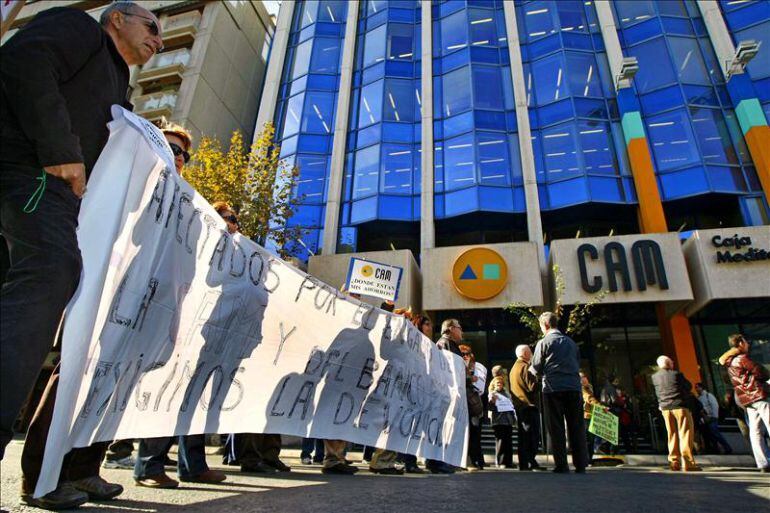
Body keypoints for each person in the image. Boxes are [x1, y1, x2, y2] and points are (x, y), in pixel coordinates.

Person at [2, 2, 162, 509]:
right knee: (52, 274)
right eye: (151, 26)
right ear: (116, 18)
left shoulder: (118, 85)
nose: (158, 38)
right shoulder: (77, 28)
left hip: (47, 190)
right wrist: (60, 149)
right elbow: (23, 63)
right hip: (31, 174)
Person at [132, 127, 227, 489]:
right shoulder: (139, 184)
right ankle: (71, 467)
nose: (179, 158)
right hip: (136, 299)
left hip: (176, 307)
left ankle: (166, 464)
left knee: (172, 384)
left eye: (184, 154)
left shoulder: (188, 201)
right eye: (171, 149)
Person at [530, 312, 587, 474]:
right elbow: (577, 362)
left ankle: (561, 464)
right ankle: (580, 463)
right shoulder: (571, 343)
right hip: (574, 387)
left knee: (555, 426)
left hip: (553, 387)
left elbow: (536, 367)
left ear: (545, 325)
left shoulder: (544, 342)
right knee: (576, 425)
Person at [719, 334, 770, 472]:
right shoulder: (742, 359)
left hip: (746, 400)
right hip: (758, 395)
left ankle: (763, 463)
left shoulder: (728, 363)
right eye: (746, 342)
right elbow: (761, 372)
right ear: (740, 343)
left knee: (755, 432)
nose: (748, 344)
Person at [425, 319, 464, 474]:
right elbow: (450, 369)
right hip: (445, 392)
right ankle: (437, 461)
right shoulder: (446, 343)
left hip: (444, 391)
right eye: (460, 328)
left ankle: (435, 461)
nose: (462, 332)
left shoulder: (446, 343)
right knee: (441, 427)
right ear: (450, 329)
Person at [651, 356, 701, 472]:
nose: (673, 362)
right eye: (671, 361)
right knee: (685, 433)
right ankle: (688, 462)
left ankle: (674, 460)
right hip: (679, 406)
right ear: (669, 363)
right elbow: (688, 386)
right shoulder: (676, 375)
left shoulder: (654, 377)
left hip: (665, 408)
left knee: (671, 433)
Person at [510, 344, 544, 472]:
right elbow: (532, 387)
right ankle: (530, 460)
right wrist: (540, 380)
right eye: (530, 352)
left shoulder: (514, 367)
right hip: (528, 405)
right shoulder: (526, 367)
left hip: (521, 406)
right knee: (531, 436)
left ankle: (525, 462)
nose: (532, 354)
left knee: (524, 436)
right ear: (525, 354)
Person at [461, 344, 486, 470]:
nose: (465, 357)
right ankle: (470, 460)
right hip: (464, 404)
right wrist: (471, 379)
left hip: (474, 405)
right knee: (468, 433)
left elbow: (480, 386)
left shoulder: (477, 368)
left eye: (467, 354)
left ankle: (477, 459)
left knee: (475, 433)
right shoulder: (461, 368)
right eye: (463, 354)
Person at [695, 383, 733, 455]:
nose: (696, 389)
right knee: (710, 435)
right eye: (695, 388)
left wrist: (714, 416)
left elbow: (715, 406)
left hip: (712, 418)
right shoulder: (699, 398)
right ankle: (715, 449)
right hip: (705, 419)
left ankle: (727, 448)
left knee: (716, 434)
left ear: (702, 388)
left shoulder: (708, 395)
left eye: (697, 387)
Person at [488, 376, 515, 468]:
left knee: (508, 441)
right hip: (498, 421)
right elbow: (490, 408)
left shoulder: (507, 394)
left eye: (500, 383)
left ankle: (509, 462)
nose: (499, 385)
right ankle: (500, 461)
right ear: (494, 385)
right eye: (497, 383)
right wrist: (492, 401)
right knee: (501, 441)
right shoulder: (492, 394)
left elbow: (511, 406)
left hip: (508, 420)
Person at [580, 372, 602, 465]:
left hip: (591, 415)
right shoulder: (582, 389)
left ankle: (589, 457)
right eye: (581, 377)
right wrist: (600, 406)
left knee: (591, 438)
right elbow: (589, 398)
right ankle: (587, 458)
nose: (584, 379)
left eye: (585, 376)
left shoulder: (589, 387)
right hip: (585, 416)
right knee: (588, 438)